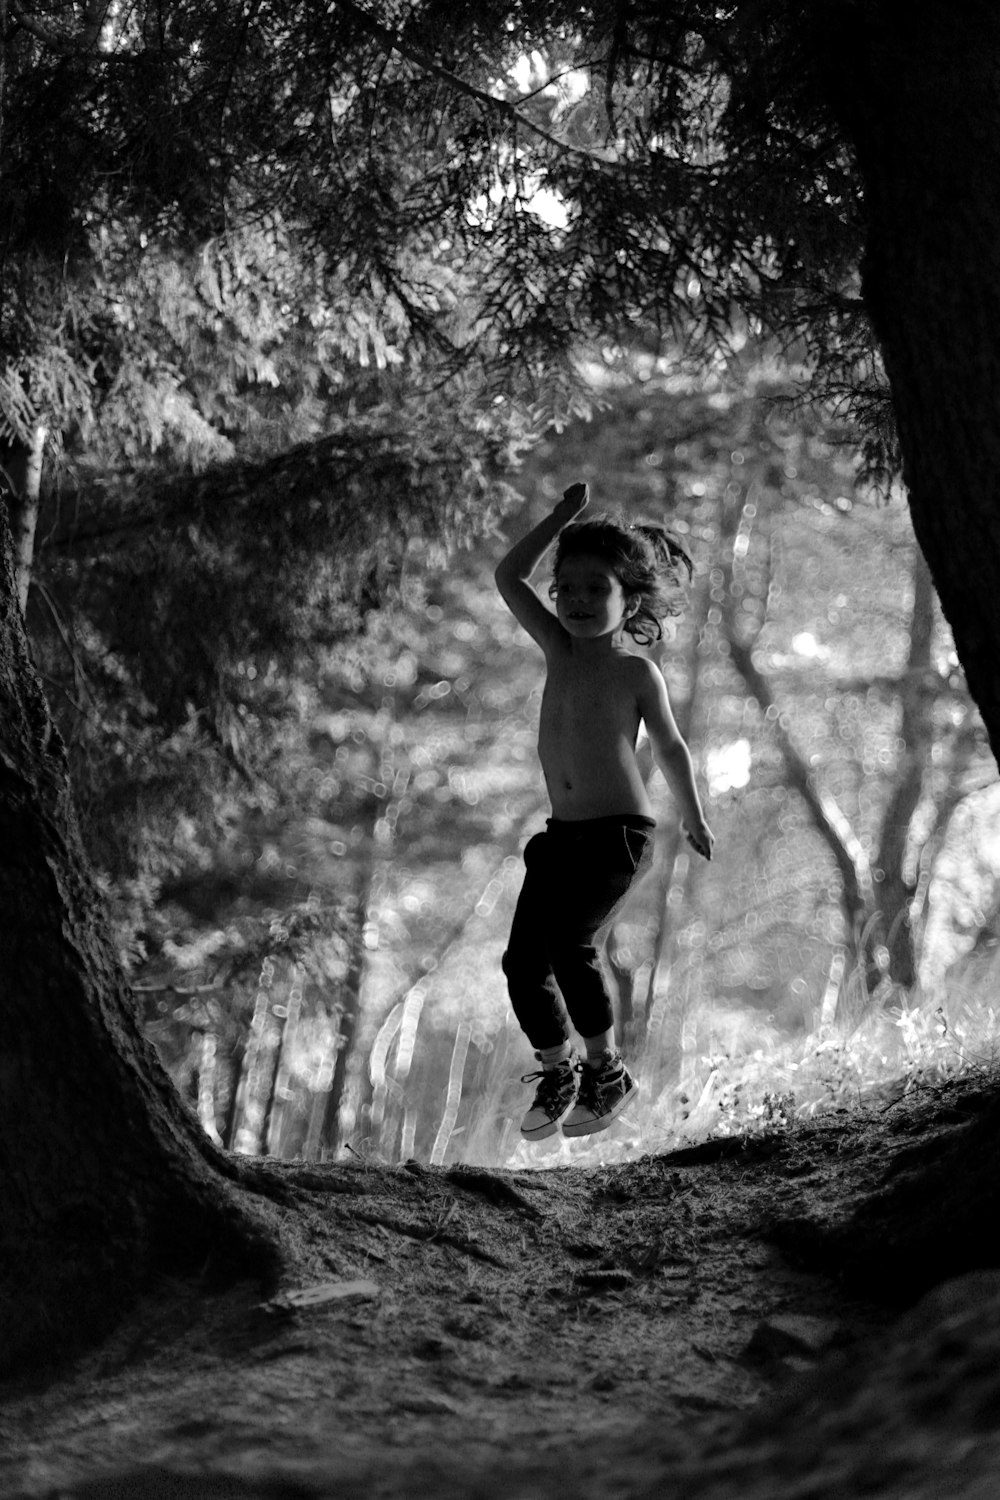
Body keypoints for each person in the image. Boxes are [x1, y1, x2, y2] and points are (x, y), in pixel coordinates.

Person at [494, 481, 714, 1141]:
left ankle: (606, 1068)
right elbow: (508, 574)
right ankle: (558, 1068)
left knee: (571, 944)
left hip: (618, 836)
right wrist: (562, 516)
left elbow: (672, 749)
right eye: (571, 590)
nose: (582, 602)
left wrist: (695, 817)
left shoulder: (636, 673)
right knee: (522, 964)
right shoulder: (556, 649)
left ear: (630, 600)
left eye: (600, 590)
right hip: (560, 838)